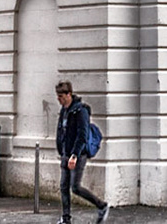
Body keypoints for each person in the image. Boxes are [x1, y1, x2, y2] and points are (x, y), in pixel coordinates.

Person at [54, 81, 109, 224]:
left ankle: (102, 205)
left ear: (69, 94)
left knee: (75, 187)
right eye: (58, 96)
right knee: (63, 186)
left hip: (78, 154)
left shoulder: (80, 111)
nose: (59, 99)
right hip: (66, 153)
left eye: (61, 96)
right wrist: (61, 149)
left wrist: (75, 155)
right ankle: (66, 219)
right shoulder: (64, 111)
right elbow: (61, 131)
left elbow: (82, 135)